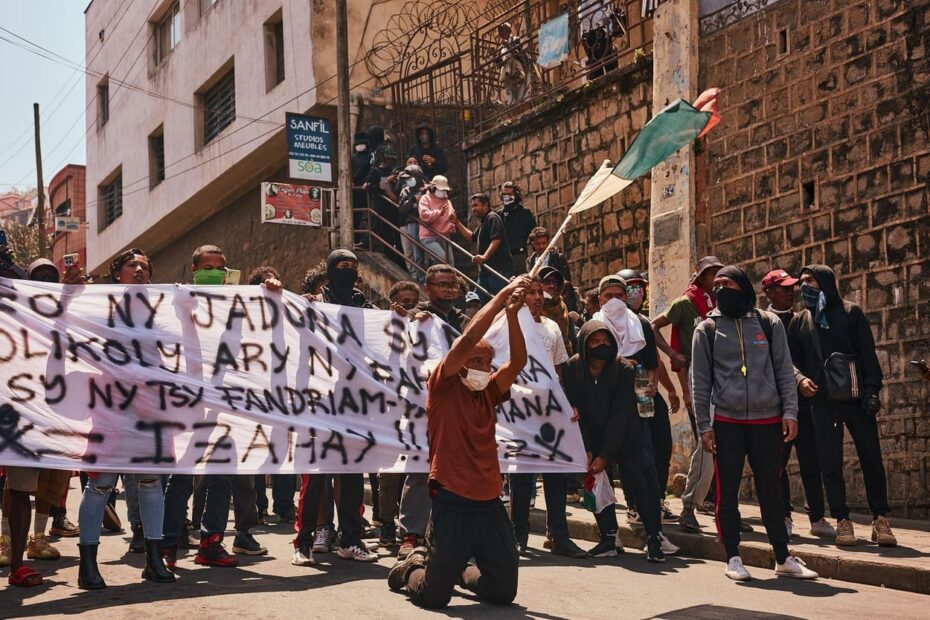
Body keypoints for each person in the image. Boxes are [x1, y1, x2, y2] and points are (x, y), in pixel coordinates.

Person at [387, 275, 532, 609]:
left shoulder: (489, 393)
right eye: (476, 362)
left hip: (489, 502)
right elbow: (469, 339)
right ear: (459, 364)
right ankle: (412, 569)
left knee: (502, 591)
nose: (484, 368)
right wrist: (502, 297)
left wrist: (512, 314)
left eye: (488, 363)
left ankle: (460, 570)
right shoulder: (443, 387)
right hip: (452, 500)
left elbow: (518, 363)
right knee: (434, 597)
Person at [693, 266, 817, 581]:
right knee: (728, 491)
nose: (721, 290)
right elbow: (701, 383)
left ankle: (782, 556)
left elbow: (784, 369)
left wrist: (790, 413)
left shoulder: (768, 322)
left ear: (743, 287)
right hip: (727, 421)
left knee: (771, 490)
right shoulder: (706, 329)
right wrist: (704, 427)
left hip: (767, 420)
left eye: (727, 284)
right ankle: (733, 556)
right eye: (716, 285)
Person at [76, 249, 175, 589]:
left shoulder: (160, 309)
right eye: (132, 265)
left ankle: (154, 559)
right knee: (100, 485)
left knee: (151, 486)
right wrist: (68, 290)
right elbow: (67, 327)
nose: (138, 270)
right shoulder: (99, 307)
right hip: (112, 411)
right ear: (117, 273)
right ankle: (87, 565)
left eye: (145, 266)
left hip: (149, 410)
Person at [788, 265, 896, 547]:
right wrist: (800, 380)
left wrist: (872, 391)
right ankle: (842, 521)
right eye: (802, 282)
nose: (804, 286)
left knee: (871, 458)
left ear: (825, 282)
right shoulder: (800, 321)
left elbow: (867, 354)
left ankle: (880, 519)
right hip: (822, 402)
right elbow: (790, 361)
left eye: (810, 280)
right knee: (829, 463)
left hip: (856, 398)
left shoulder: (851, 312)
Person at [292, 250, 378, 566]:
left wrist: (404, 319)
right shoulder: (314, 302)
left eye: (354, 268)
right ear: (330, 271)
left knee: (352, 473)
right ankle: (303, 541)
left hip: (353, 400)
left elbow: (384, 335)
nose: (350, 272)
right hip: (319, 399)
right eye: (343, 267)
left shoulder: (363, 304)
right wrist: (304, 308)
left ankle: (351, 540)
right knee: (316, 474)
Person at [563, 320, 666, 561]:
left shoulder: (624, 370)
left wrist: (605, 455)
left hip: (629, 436)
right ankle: (608, 538)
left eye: (607, 341)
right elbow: (576, 410)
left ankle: (653, 539)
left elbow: (622, 415)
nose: (602, 346)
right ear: (584, 344)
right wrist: (588, 450)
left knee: (643, 486)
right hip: (594, 436)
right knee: (598, 486)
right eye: (596, 342)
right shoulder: (572, 368)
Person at [591, 275, 678, 555]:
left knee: (643, 471)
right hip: (604, 412)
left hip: (637, 410)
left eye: (619, 294)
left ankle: (654, 535)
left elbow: (651, 363)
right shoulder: (593, 327)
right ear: (600, 298)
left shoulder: (639, 325)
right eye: (608, 295)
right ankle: (609, 536)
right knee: (600, 473)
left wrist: (651, 385)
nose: (614, 300)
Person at [508, 279, 588, 558]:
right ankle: (518, 536)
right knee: (521, 476)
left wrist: (570, 403)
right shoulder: (508, 325)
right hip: (521, 410)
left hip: (551, 410)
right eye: (530, 292)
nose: (537, 297)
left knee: (556, 473)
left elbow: (560, 370)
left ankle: (559, 536)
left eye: (539, 292)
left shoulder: (553, 326)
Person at [761, 269, 834, 540]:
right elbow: (777, 359)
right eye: (784, 288)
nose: (791, 292)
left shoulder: (802, 318)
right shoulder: (763, 322)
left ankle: (816, 516)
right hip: (776, 404)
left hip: (805, 403)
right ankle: (784, 516)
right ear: (769, 292)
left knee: (811, 460)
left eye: (793, 287)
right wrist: (799, 378)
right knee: (778, 463)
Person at [651, 256, 723, 532]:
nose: (716, 278)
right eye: (711, 273)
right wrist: (672, 354)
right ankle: (689, 506)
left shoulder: (719, 303)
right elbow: (654, 326)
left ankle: (723, 508)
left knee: (727, 446)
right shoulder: (686, 303)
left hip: (724, 376)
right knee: (708, 443)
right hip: (699, 376)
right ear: (701, 277)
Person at [614, 270, 681, 525]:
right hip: (623, 398)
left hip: (646, 393)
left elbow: (654, 361)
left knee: (661, 446)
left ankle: (657, 500)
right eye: (630, 287)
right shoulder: (609, 322)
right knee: (633, 453)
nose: (637, 292)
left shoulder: (642, 322)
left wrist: (667, 388)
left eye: (640, 287)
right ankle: (634, 505)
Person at [453, 193, 513, 299]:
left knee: (500, 301)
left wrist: (484, 256)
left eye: (476, 205)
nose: (473, 209)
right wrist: (456, 222)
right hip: (486, 271)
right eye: (472, 206)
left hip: (497, 270)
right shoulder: (484, 222)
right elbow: (472, 237)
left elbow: (496, 239)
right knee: (477, 300)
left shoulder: (492, 217)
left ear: (485, 205)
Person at [366, 143, 402, 259]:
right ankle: (390, 257)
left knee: (398, 234)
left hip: (394, 205)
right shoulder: (375, 171)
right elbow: (371, 188)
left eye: (392, 158)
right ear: (383, 157)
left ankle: (400, 259)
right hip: (381, 205)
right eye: (388, 158)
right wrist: (385, 181)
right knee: (386, 233)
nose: (390, 160)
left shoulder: (394, 170)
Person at [396, 164, 427, 283]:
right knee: (416, 254)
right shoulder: (405, 191)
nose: (408, 181)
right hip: (412, 224)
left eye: (410, 178)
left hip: (427, 224)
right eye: (406, 179)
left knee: (429, 254)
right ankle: (420, 279)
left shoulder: (426, 188)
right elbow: (402, 209)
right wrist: (414, 200)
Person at [418, 175, 457, 268]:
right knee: (442, 258)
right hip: (429, 236)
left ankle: (443, 281)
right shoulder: (425, 198)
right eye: (441, 189)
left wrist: (452, 225)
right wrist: (439, 212)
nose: (443, 192)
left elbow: (451, 216)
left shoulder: (447, 201)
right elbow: (424, 215)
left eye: (445, 190)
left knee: (450, 263)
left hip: (444, 236)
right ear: (433, 188)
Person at [498, 182, 536, 276]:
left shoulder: (525, 213)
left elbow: (534, 234)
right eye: (504, 194)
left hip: (520, 255)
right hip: (503, 257)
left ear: (515, 194)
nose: (506, 197)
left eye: (509, 194)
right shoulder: (499, 215)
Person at [351, 131, 372, 246]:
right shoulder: (352, 158)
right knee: (356, 216)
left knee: (369, 215)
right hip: (356, 190)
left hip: (367, 188)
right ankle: (356, 239)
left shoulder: (370, 156)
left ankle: (367, 240)